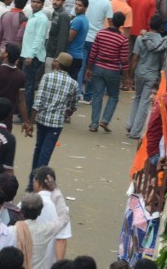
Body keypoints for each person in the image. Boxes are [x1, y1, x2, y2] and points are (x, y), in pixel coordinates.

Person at [28, 53, 79, 188]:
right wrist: (67, 112)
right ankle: (38, 184)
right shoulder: (73, 83)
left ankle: (31, 183)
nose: (53, 62)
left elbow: (38, 101)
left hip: (42, 120)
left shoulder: (47, 77)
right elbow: (73, 105)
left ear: (58, 64)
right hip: (56, 124)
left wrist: (30, 122)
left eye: (55, 60)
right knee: (45, 154)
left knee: (38, 150)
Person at [86, 11, 129, 133]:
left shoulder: (100, 34)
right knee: (114, 96)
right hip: (113, 70)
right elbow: (124, 60)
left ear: (112, 21)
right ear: (122, 24)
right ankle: (105, 120)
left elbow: (93, 52)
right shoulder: (123, 39)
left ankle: (94, 124)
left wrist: (89, 68)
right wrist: (126, 77)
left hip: (98, 67)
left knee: (97, 96)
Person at [126, 14, 167, 139]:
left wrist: (130, 74)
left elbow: (135, 57)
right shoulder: (162, 41)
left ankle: (130, 124)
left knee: (137, 98)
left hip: (139, 71)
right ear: (161, 27)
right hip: (152, 73)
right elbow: (161, 61)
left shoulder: (140, 38)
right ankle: (135, 131)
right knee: (144, 101)